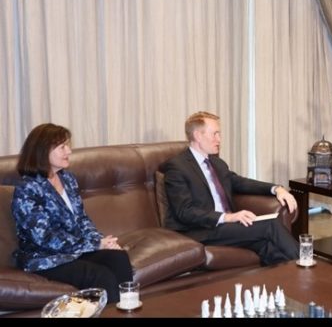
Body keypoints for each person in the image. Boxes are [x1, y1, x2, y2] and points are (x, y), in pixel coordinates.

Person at [11, 123, 133, 303]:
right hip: (44, 258)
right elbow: (44, 238)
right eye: (62, 147)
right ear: (43, 151)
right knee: (100, 276)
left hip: (75, 249)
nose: (69, 151)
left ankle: (128, 308)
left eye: (68, 145)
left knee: (118, 257)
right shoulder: (27, 189)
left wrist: (102, 242)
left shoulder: (67, 179)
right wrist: (94, 244)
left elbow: (82, 219)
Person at [159, 111, 299, 266]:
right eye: (215, 134)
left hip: (226, 227)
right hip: (199, 230)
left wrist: (276, 189)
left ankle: (295, 284)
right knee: (271, 225)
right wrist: (227, 217)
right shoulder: (177, 167)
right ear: (198, 136)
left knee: (270, 248)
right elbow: (184, 211)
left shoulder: (217, 163)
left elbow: (240, 182)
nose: (219, 139)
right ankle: (308, 262)